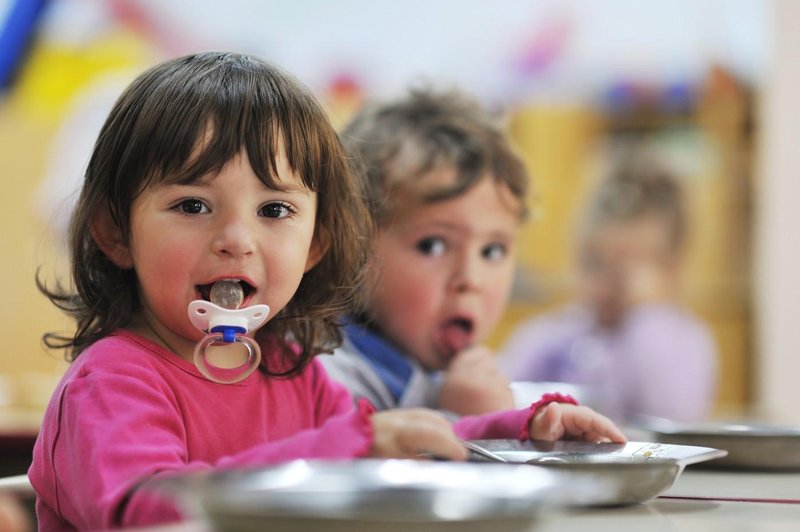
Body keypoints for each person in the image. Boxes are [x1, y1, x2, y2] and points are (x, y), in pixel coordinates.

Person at [28, 54, 625, 530]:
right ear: (114, 232)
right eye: (192, 205)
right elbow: (141, 511)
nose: (237, 240)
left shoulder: (295, 370)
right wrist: (352, 448)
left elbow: (402, 443)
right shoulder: (111, 385)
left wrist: (517, 431)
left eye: (275, 209)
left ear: (315, 244)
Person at [320, 88, 612, 422]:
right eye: (434, 245)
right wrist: (472, 425)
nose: (470, 279)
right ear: (352, 244)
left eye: (493, 250)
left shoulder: (433, 370)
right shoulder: (329, 381)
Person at [501, 154, 718, 423]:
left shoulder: (683, 341)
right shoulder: (553, 336)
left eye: (629, 270)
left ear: (671, 269)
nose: (609, 284)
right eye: (596, 264)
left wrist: (648, 314)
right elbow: (503, 404)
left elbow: (672, 414)